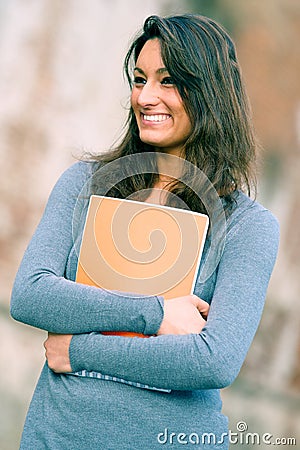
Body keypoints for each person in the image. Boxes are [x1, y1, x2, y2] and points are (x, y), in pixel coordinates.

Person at [10, 14, 279, 449]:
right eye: (139, 79)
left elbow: (213, 361)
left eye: (168, 81)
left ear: (211, 95)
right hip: (56, 437)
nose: (146, 96)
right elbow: (32, 295)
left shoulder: (248, 226)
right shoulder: (84, 184)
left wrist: (78, 351)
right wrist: (156, 314)